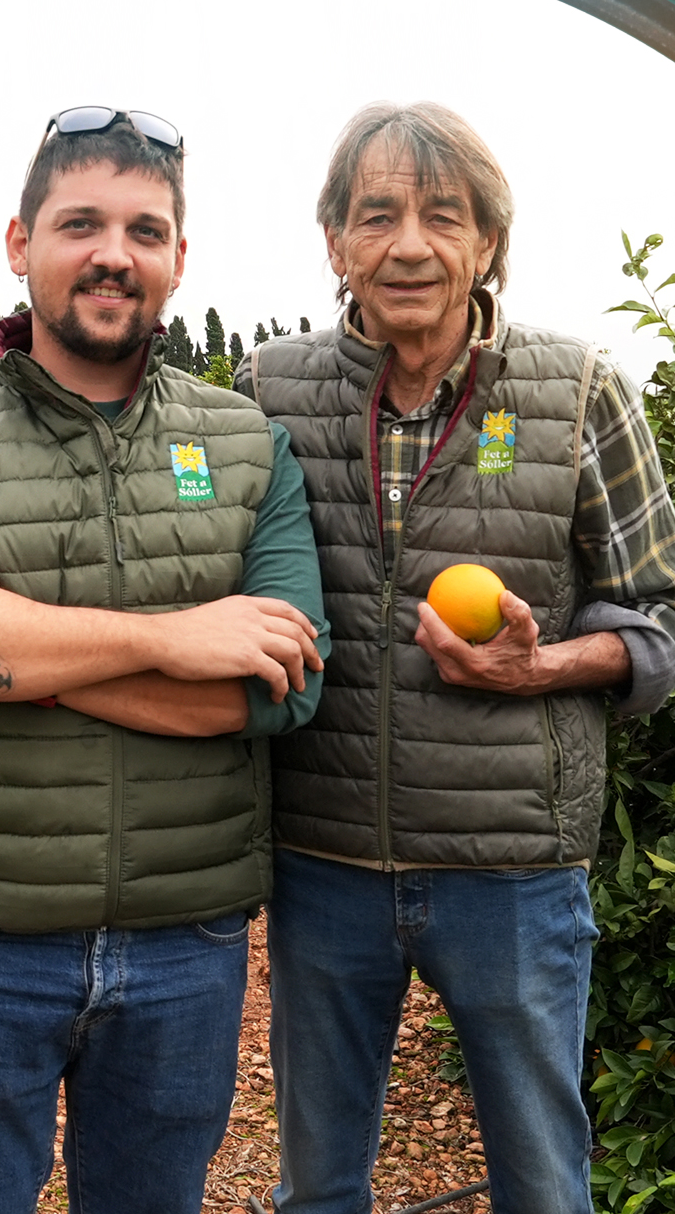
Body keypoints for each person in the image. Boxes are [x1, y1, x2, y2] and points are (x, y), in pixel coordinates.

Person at [0, 106, 329, 1214]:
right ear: (21, 244)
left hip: (184, 952)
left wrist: (0, 649)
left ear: (178, 260)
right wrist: (172, 638)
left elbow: (287, 684)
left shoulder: (250, 445)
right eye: (82, 224)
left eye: (145, 231)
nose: (115, 253)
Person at [239, 100, 675, 1214]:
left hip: (514, 871)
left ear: (489, 241)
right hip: (323, 860)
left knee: (539, 1179)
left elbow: (664, 624)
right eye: (376, 215)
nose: (411, 245)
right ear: (334, 242)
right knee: (318, 1183)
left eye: (445, 214)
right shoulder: (267, 394)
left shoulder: (579, 392)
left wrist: (546, 668)